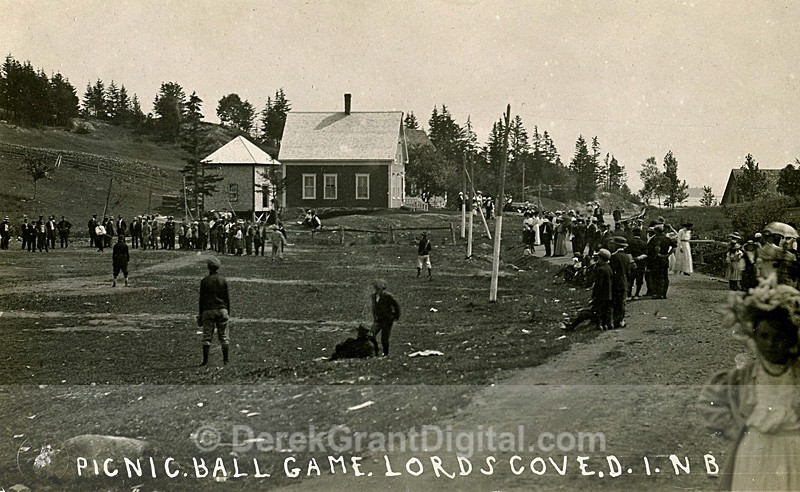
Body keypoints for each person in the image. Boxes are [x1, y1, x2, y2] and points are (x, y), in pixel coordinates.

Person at [697, 274, 800, 490]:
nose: (771, 344)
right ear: (754, 336)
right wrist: (738, 430)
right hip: (755, 451)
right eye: (764, 336)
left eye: (779, 337)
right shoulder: (745, 377)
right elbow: (710, 401)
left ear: (792, 339)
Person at [197, 256, 231, 366]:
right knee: (224, 337)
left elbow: (201, 299)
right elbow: (227, 298)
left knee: (207, 336)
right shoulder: (223, 280)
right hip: (222, 309)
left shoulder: (204, 281)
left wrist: (200, 314)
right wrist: (228, 311)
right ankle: (225, 360)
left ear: (208, 267)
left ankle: (205, 361)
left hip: (208, 310)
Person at [371, 279, 400, 356]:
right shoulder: (373, 296)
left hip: (387, 320)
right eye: (377, 289)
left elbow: (396, 305)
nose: (378, 291)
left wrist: (395, 316)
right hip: (379, 320)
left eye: (380, 289)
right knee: (371, 334)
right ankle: (376, 351)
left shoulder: (388, 296)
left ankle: (386, 353)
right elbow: (374, 308)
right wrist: (375, 317)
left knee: (384, 338)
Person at [609, 237, 633, 329]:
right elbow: (628, 271)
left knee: (616, 302)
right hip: (624, 281)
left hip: (616, 282)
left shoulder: (614, 257)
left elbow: (612, 270)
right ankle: (621, 320)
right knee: (622, 302)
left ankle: (616, 320)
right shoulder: (627, 256)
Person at [591, 249, 613, 331]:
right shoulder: (609, 268)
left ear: (601, 258)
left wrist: (595, 294)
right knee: (607, 310)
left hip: (601, 294)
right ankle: (606, 324)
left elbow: (598, 284)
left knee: (598, 310)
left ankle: (599, 325)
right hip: (609, 293)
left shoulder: (601, 269)